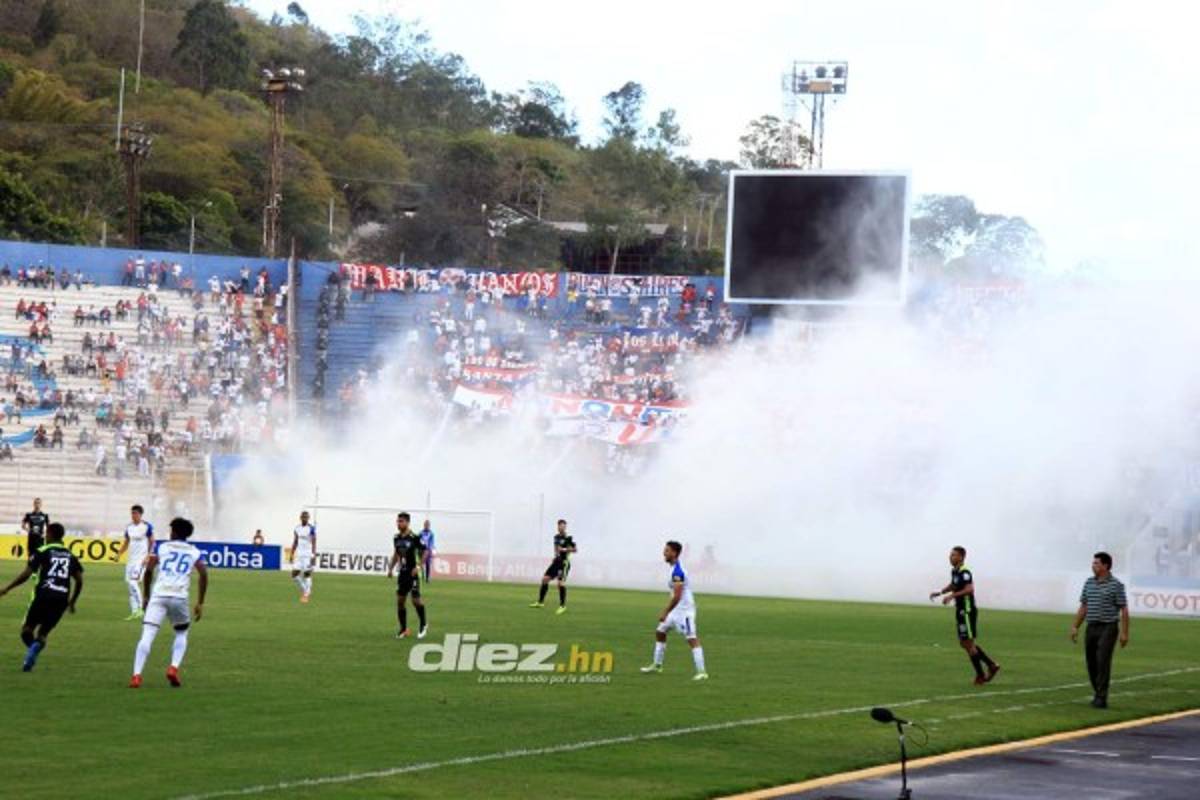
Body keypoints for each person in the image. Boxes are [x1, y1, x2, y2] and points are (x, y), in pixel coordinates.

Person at [129, 517, 208, 689]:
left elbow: (149, 570)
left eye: (171, 530)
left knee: (147, 634)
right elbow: (203, 573)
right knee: (181, 633)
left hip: (159, 595)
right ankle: (173, 668)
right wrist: (200, 602)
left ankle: (136, 676)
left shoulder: (163, 547)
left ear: (174, 532)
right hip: (179, 597)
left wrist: (146, 596)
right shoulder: (194, 551)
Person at [0, 523, 84, 672]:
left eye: (46, 533)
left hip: (43, 595)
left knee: (27, 630)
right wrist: (72, 601)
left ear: (51, 534)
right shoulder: (70, 555)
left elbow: (26, 574)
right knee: (43, 633)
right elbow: (79, 580)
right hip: (61, 599)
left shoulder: (42, 550)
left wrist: (7, 588)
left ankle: (31, 651)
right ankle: (33, 652)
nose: (45, 536)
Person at [930, 546, 1000, 685]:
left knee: (968, 643)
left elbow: (969, 589)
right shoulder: (955, 571)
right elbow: (954, 584)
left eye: (954, 555)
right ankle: (991, 665)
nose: (951, 557)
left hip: (967, 610)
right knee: (965, 643)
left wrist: (952, 596)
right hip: (961, 610)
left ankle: (981, 675)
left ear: (961, 557)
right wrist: (940, 592)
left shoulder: (965, 572)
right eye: (950, 555)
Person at [640, 540, 708, 680]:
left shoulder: (678, 571)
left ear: (674, 553)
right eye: (664, 550)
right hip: (676, 611)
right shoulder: (673, 568)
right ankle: (657, 665)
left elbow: (677, 596)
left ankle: (702, 672)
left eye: (667, 551)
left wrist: (665, 611)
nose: (664, 553)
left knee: (692, 639)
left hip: (685, 612)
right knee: (660, 632)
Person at [1070, 551, 1130, 708]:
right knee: (1091, 662)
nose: (1093, 566)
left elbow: (1124, 609)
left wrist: (1124, 633)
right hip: (1091, 627)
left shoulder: (1116, 585)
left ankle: (1101, 697)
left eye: (1096, 563)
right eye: (1093, 563)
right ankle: (1098, 692)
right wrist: (1075, 626)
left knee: (1102, 660)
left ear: (1106, 565)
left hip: (1108, 627)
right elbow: (1084, 606)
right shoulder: (1089, 583)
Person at [387, 512, 427, 639]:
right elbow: (396, 554)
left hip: (413, 573)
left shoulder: (414, 537)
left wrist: (419, 566)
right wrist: (390, 568)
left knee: (416, 601)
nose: (398, 524)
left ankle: (423, 624)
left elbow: (426, 551)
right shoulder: (396, 538)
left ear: (407, 522)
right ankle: (403, 629)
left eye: (401, 521)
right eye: (397, 521)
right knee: (400, 601)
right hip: (403, 573)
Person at [115, 505, 154, 621]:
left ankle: (142, 608)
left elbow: (153, 541)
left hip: (141, 560)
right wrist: (118, 554)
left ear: (141, 514)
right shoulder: (129, 527)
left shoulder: (147, 526)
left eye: (135, 513)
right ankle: (135, 611)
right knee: (130, 585)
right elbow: (126, 542)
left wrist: (148, 555)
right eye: (132, 513)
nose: (133, 515)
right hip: (130, 560)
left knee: (133, 582)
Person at [530, 519, 575, 614]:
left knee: (560, 583)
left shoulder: (568, 538)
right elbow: (556, 549)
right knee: (545, 579)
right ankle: (540, 602)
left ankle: (562, 606)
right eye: (560, 526)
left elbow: (574, 549)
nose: (561, 527)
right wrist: (556, 556)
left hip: (564, 563)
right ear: (557, 527)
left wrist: (563, 549)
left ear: (565, 527)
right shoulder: (556, 537)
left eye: (563, 526)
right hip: (557, 561)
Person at [289, 511, 317, 603]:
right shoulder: (297, 528)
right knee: (294, 575)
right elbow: (295, 541)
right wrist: (292, 553)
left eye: (306, 517)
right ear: (300, 518)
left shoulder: (311, 528)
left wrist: (313, 554)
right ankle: (306, 589)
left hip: (308, 555)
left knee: (307, 574)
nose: (304, 518)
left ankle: (306, 594)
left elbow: (314, 542)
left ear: (308, 518)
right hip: (299, 555)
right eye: (303, 517)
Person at [21, 497, 50, 562]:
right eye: (36, 503)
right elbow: (23, 525)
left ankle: (39, 570)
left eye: (39, 503)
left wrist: (45, 534)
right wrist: (28, 530)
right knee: (30, 557)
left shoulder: (45, 515)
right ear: (33, 504)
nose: (37, 504)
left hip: (40, 539)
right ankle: (30, 570)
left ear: (41, 504)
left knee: (40, 556)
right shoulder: (29, 515)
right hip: (31, 538)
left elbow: (49, 527)